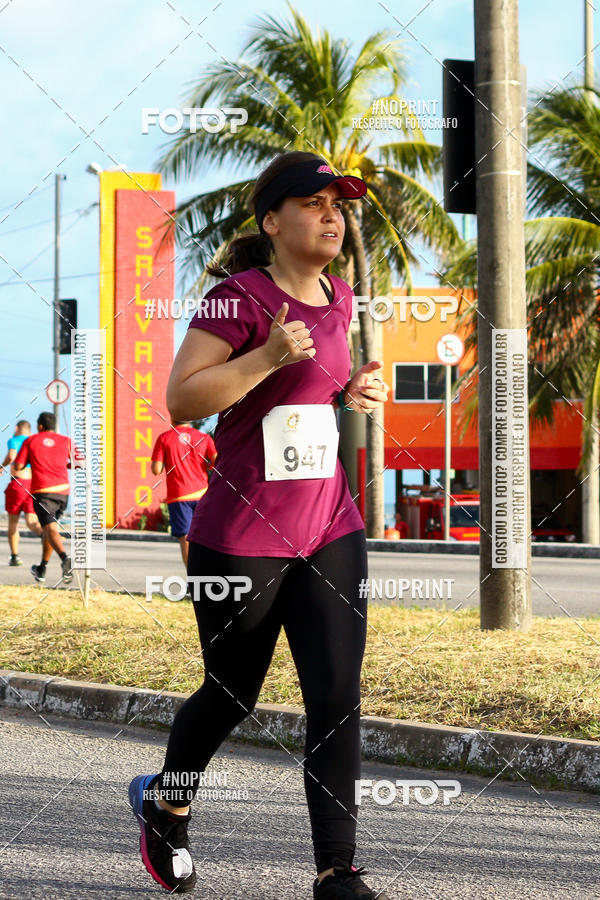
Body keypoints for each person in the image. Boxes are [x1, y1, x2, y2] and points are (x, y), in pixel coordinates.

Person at [128, 151, 390, 898]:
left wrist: (355, 390)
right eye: (313, 203)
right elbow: (183, 400)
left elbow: (318, 388)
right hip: (240, 537)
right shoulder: (235, 299)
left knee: (336, 697)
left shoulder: (340, 298)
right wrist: (270, 355)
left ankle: (337, 871)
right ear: (272, 221)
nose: (332, 216)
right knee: (231, 694)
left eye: (339, 204)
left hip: (328, 526)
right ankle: (167, 805)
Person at [14, 412, 75, 585]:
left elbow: (18, 466)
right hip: (63, 493)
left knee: (51, 531)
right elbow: (80, 462)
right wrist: (62, 463)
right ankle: (42, 568)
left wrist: (34, 460)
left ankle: (65, 559)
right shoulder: (66, 440)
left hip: (43, 492)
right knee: (49, 530)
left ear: (40, 426)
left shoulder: (31, 440)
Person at [151, 418, 217, 568]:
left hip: (179, 496)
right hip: (203, 494)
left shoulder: (164, 438)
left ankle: (193, 579)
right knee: (206, 537)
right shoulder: (204, 437)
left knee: (186, 539)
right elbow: (216, 460)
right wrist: (207, 465)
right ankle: (210, 574)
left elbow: (156, 470)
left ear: (173, 417)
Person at [1, 420, 43, 566]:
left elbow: (12, 456)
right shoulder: (34, 441)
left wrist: (2, 466)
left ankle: (15, 556)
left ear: (16, 428)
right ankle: (46, 535)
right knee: (32, 522)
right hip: (33, 485)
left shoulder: (14, 440)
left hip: (18, 484)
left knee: (13, 523)